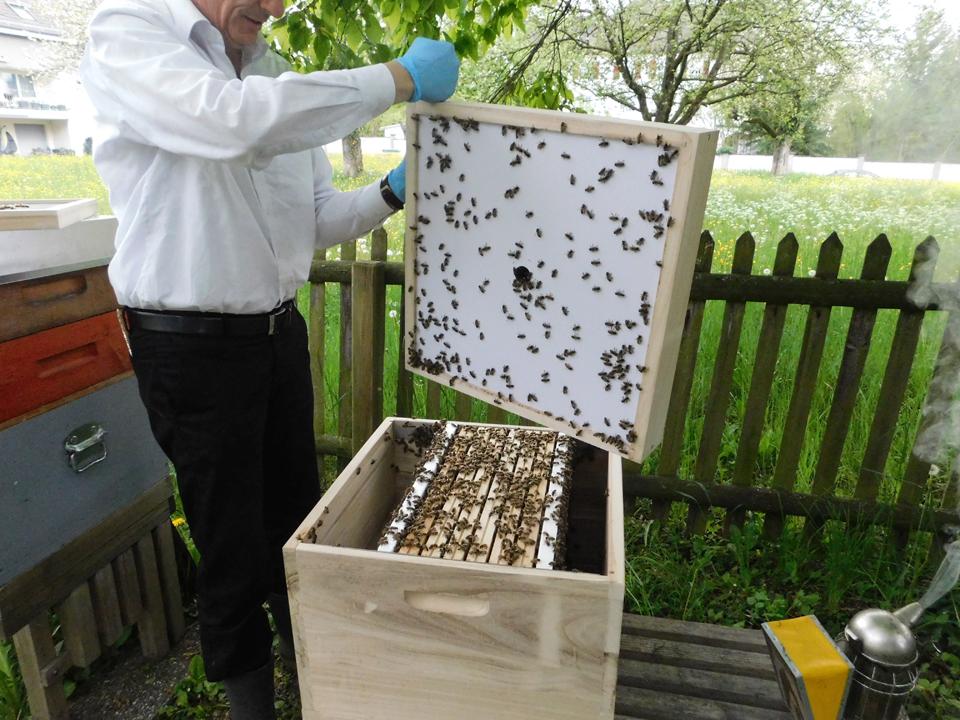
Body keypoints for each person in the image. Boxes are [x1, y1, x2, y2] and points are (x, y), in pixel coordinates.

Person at [80, 1, 459, 717]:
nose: (275, 6)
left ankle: (315, 686)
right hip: (187, 346)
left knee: (296, 525)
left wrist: (391, 191)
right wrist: (400, 77)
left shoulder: (278, 77)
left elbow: (315, 221)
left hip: (276, 337)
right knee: (230, 545)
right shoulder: (127, 35)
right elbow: (233, 122)